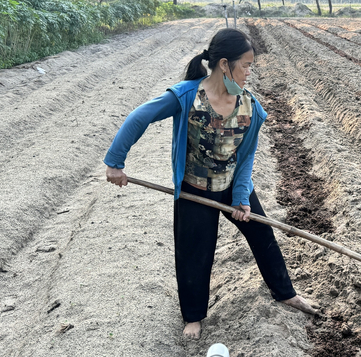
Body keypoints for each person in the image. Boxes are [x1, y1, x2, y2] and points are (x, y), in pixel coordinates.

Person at [104, 28, 316, 340]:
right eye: (245, 65)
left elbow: (244, 160)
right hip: (193, 189)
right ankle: (193, 317)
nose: (248, 73)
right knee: (194, 253)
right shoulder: (187, 97)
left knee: (263, 234)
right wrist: (115, 162)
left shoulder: (251, 108)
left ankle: (285, 293)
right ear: (225, 65)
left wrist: (242, 198)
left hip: (231, 185)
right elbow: (139, 117)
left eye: (250, 66)